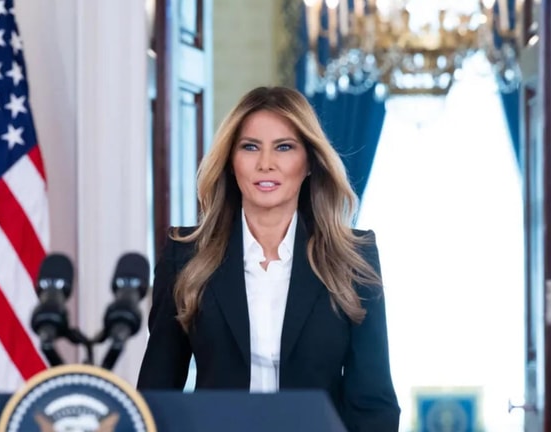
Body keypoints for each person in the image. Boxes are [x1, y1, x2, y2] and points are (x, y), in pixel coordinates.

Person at [137, 86, 400, 431]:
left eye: (284, 147)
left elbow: (374, 402)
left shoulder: (353, 256)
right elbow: (156, 394)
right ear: (231, 162)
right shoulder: (185, 255)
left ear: (310, 162)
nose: (265, 164)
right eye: (250, 147)